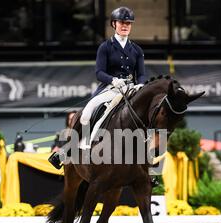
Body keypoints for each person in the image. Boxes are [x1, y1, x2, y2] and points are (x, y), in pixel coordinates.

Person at [48, 6, 147, 168]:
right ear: (114, 24)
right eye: (122, 22)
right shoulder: (105, 47)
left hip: (131, 90)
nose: (125, 26)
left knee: (147, 116)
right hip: (111, 88)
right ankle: (68, 149)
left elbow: (141, 74)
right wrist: (113, 80)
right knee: (87, 111)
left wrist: (141, 85)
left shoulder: (137, 50)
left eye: (128, 23)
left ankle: (147, 165)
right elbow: (99, 72)